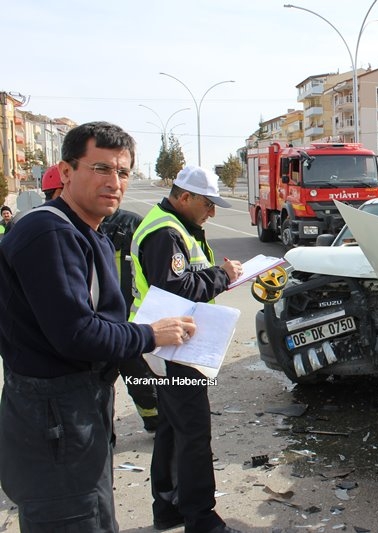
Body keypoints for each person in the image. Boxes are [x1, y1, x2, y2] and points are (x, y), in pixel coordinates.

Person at [0, 121, 197, 533]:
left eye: (122, 172)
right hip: (55, 413)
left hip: (75, 407)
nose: (115, 182)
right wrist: (150, 335)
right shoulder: (50, 232)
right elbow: (76, 334)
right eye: (102, 169)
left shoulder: (85, 232)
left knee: (92, 512)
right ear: (67, 172)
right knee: (74, 519)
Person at [129, 165, 243, 533]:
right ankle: (201, 517)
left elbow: (185, 279)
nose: (211, 213)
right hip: (170, 346)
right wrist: (223, 277)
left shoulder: (177, 226)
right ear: (184, 197)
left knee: (172, 428)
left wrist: (217, 277)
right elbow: (175, 287)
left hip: (172, 342)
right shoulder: (165, 231)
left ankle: (167, 508)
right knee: (193, 431)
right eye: (208, 204)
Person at [100, 207, 160, 433]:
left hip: (128, 325)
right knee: (97, 389)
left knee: (142, 382)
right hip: (100, 327)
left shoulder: (132, 223)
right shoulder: (73, 226)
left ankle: (156, 423)